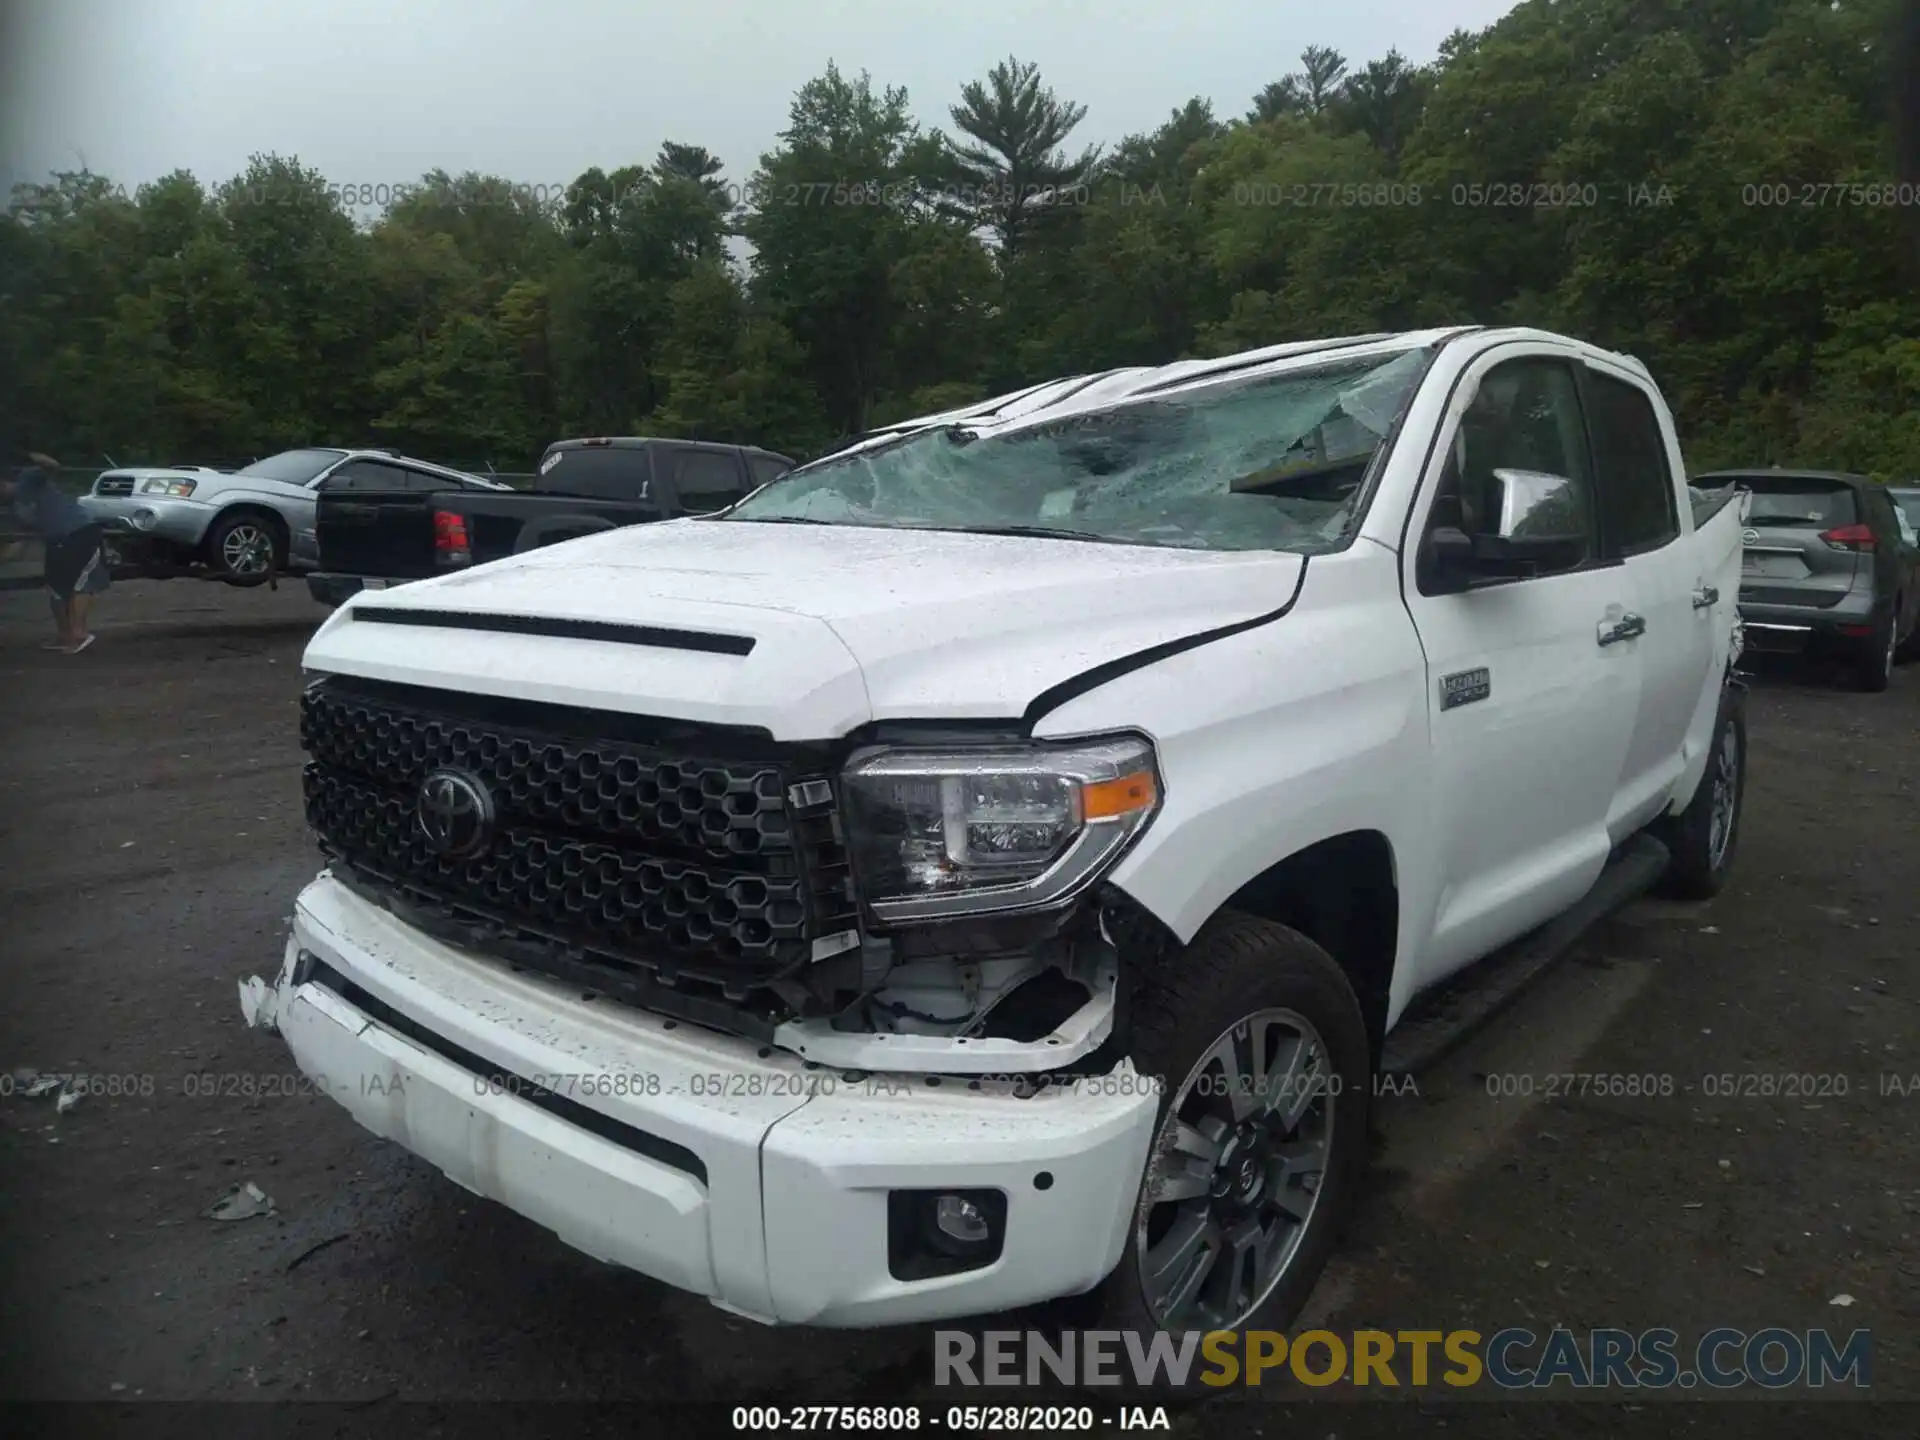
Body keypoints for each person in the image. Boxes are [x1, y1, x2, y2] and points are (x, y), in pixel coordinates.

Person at [2, 452, 110, 653]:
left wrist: (30, 454)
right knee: (55, 587)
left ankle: (79, 633)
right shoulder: (12, 509)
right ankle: (64, 634)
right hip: (56, 540)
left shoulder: (29, 479)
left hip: (80, 530)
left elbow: (53, 466)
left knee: (82, 581)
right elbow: (18, 541)